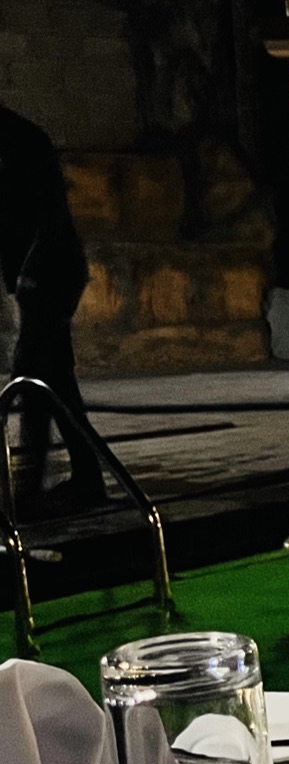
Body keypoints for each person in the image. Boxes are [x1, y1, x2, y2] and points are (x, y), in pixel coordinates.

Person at [0, 103, 103, 510]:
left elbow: (52, 212)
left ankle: (30, 483)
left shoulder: (23, 141)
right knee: (52, 380)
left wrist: (31, 270)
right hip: (33, 278)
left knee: (32, 371)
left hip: (50, 276)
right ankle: (82, 478)